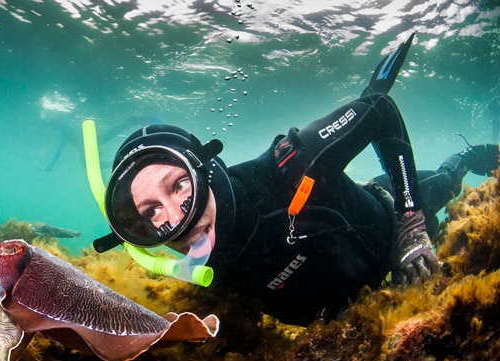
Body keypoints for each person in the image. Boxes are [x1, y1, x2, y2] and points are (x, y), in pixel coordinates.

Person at [94, 34, 500, 325]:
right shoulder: (205, 265)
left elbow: (379, 109)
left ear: (205, 168)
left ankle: (466, 157)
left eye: (179, 185)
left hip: (387, 214)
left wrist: (410, 225)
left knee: (445, 185)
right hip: (356, 301)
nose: (176, 219)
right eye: (150, 213)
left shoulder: (290, 166)